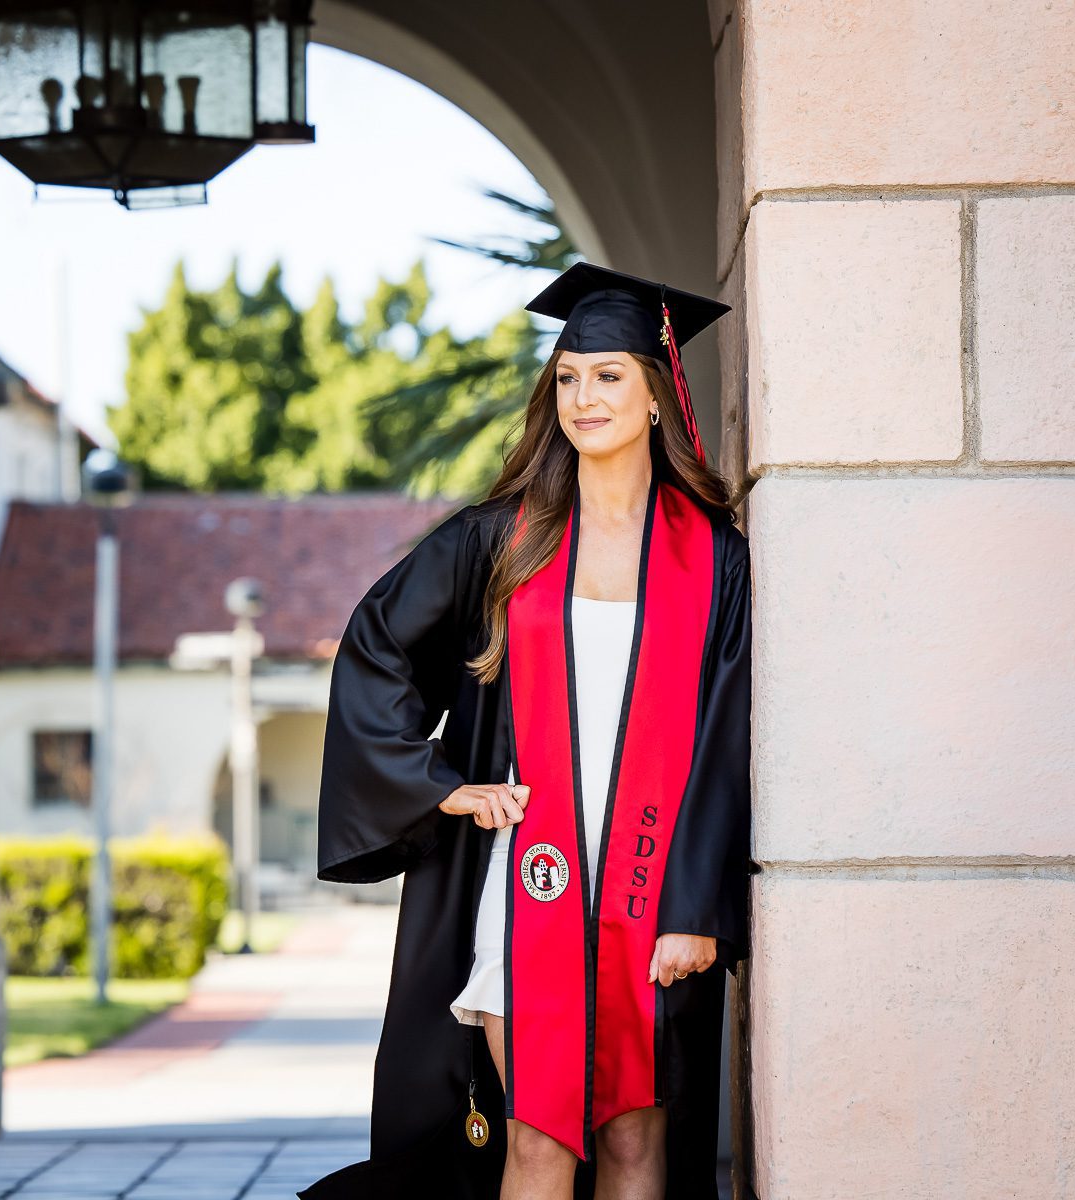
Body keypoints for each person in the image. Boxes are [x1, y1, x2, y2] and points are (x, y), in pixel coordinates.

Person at [299, 262, 753, 1200]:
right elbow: (376, 642)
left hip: (651, 878)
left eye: (610, 375)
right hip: (532, 875)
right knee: (540, 1138)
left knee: (635, 1142)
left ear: (659, 393)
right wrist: (438, 783)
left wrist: (698, 908)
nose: (585, 397)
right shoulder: (506, 537)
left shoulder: (713, 557)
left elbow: (727, 734)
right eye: (568, 378)